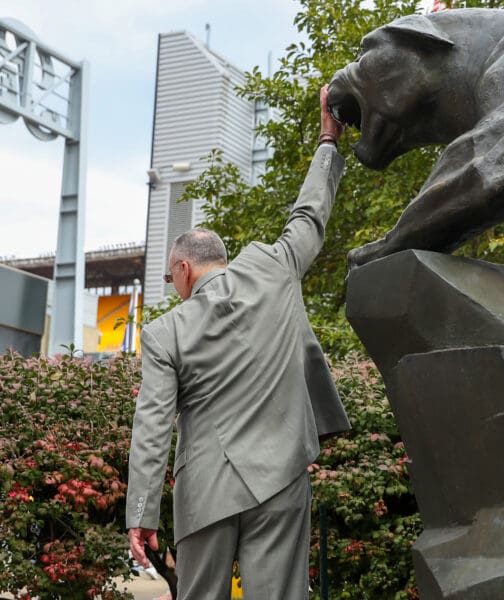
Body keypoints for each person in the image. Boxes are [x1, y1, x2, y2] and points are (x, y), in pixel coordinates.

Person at [126, 86, 351, 599]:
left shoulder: (165, 332)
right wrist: (327, 138)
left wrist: (141, 512)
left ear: (183, 269)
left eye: (170, 276)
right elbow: (310, 213)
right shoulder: (275, 266)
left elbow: (154, 423)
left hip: (206, 490)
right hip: (283, 475)